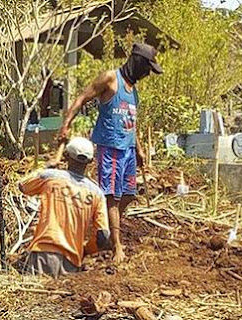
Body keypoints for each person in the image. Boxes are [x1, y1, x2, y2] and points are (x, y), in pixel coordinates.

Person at [57, 43, 163, 264]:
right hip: (110, 148)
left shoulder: (133, 89)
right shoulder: (109, 79)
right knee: (112, 197)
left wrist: (140, 149)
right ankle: (116, 245)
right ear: (137, 62)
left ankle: (104, 230)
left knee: (129, 194)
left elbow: (131, 122)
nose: (146, 74)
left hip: (128, 150)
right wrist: (65, 125)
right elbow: (81, 99)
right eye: (146, 68)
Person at [19, 137, 110, 278]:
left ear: (66, 156)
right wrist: (85, 249)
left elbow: (23, 186)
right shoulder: (97, 194)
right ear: (90, 162)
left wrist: (48, 166)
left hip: (43, 252)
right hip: (72, 261)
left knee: (35, 297)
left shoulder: (50, 177)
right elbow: (103, 236)